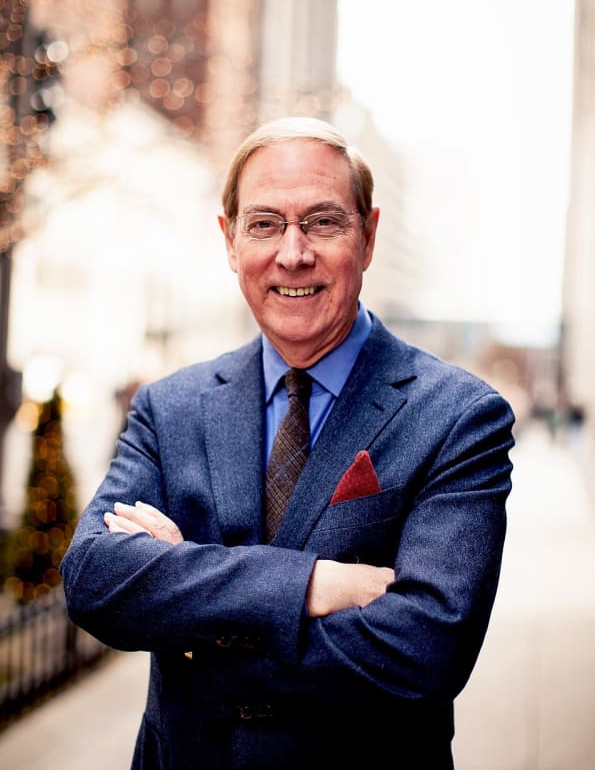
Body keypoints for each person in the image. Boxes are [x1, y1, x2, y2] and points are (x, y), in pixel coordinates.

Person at [60, 116, 515, 769]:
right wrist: (313, 584)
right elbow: (94, 580)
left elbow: (426, 646)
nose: (292, 252)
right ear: (230, 238)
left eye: (322, 222)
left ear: (369, 235)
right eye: (266, 223)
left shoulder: (459, 417)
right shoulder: (170, 407)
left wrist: (191, 613)